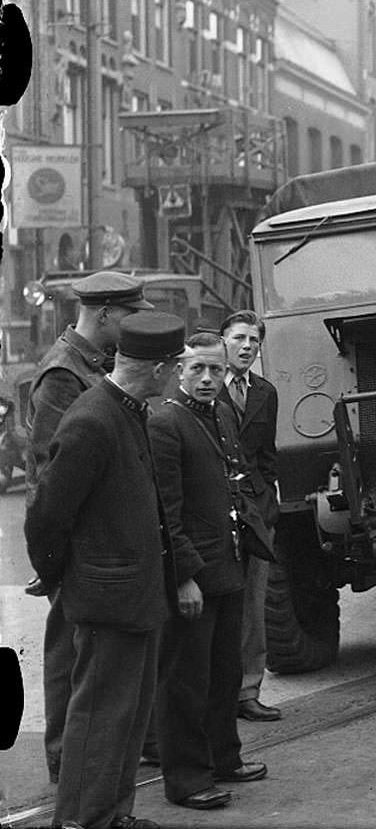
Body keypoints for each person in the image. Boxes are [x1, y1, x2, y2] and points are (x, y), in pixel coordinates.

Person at [24, 310, 185, 829]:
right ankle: (83, 821)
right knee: (98, 719)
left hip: (136, 595)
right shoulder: (93, 418)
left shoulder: (128, 408)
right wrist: (60, 582)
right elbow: (47, 515)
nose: (178, 376)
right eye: (176, 367)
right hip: (106, 598)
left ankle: (113, 814)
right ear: (158, 369)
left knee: (129, 716)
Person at [22, 271, 153, 785]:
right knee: (68, 653)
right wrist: (53, 563)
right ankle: (65, 763)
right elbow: (57, 476)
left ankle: (87, 766)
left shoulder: (88, 365)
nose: (135, 324)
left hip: (93, 536)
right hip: (78, 543)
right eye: (130, 315)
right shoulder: (63, 374)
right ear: (102, 314)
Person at [151, 332, 272, 811]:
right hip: (194, 575)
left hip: (228, 564)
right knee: (185, 680)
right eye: (197, 369)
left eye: (216, 370)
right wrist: (183, 576)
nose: (207, 379)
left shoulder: (222, 413)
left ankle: (225, 758)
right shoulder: (165, 422)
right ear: (179, 371)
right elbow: (167, 511)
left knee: (224, 673)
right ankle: (185, 778)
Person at [218, 311, 283, 723]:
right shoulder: (201, 387)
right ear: (223, 340)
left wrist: (266, 502)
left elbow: (267, 456)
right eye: (239, 338)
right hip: (215, 509)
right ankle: (218, 695)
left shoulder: (265, 392)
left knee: (254, 604)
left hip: (256, 511)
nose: (246, 347)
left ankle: (247, 691)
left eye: (254, 341)